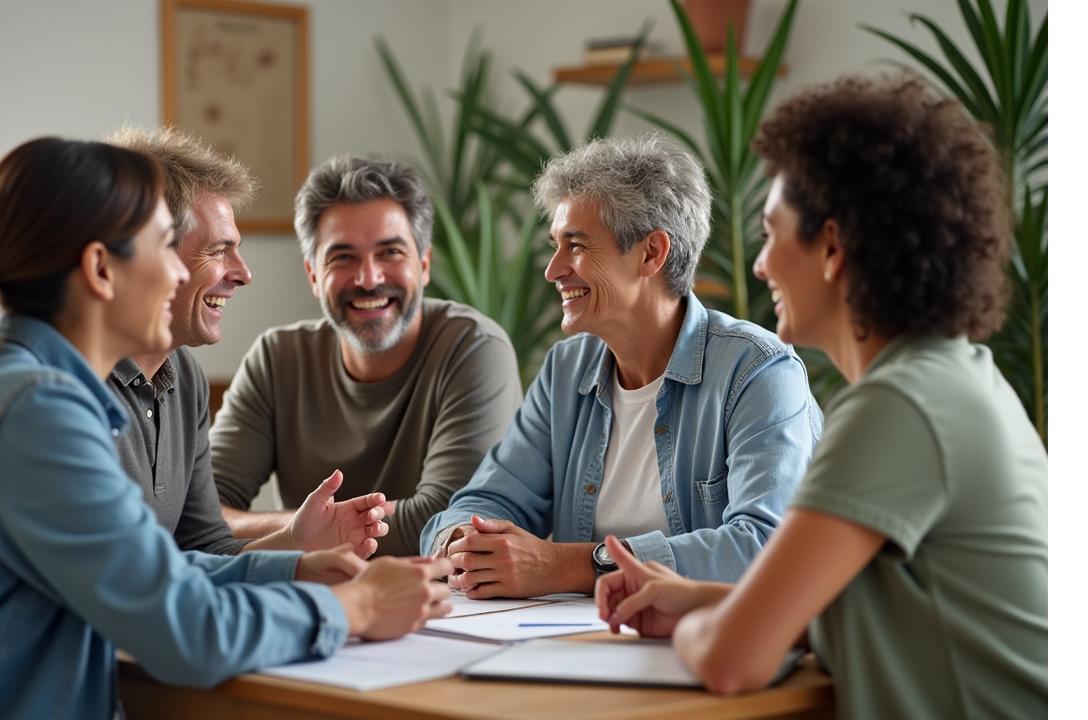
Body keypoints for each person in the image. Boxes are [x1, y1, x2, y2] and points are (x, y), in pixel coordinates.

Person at [0, 137, 451, 718]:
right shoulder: (36, 413)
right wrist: (355, 607)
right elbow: (184, 630)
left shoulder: (26, 391)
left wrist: (289, 566)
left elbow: (151, 566)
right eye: (168, 246)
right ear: (101, 270)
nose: (178, 273)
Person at [594, 74, 1047, 718]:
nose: (759, 264)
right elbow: (899, 619)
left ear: (832, 246)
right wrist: (703, 600)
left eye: (772, 232)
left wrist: (710, 629)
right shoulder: (953, 376)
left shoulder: (901, 405)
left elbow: (731, 661)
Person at [421, 134, 821, 596]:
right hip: (581, 643)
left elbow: (762, 548)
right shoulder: (566, 371)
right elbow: (483, 500)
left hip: (703, 646)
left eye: (575, 245)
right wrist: (462, 543)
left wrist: (571, 565)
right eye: (555, 244)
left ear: (652, 253)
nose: (553, 270)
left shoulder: (758, 372)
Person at [209, 155, 523, 557]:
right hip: (315, 601)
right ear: (313, 275)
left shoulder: (473, 348)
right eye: (343, 257)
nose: (369, 278)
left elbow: (446, 520)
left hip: (443, 606)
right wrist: (305, 529)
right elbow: (205, 512)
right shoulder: (277, 358)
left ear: (423, 265)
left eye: (390, 252)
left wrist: (313, 532)